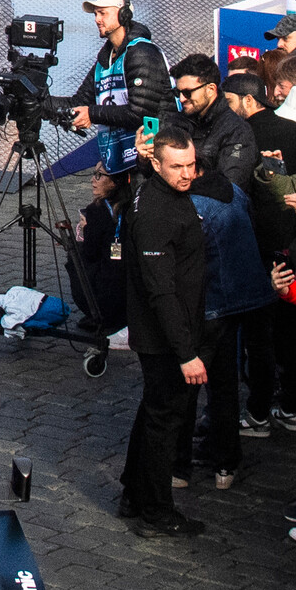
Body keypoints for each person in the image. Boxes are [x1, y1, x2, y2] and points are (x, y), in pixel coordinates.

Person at [118, 128, 212, 537]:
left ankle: (134, 495)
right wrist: (186, 352)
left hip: (162, 330)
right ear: (156, 164)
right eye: (177, 167)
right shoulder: (156, 211)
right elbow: (161, 290)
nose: (187, 173)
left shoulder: (155, 192)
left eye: (191, 165)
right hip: (164, 336)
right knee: (165, 421)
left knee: (153, 411)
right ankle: (156, 511)